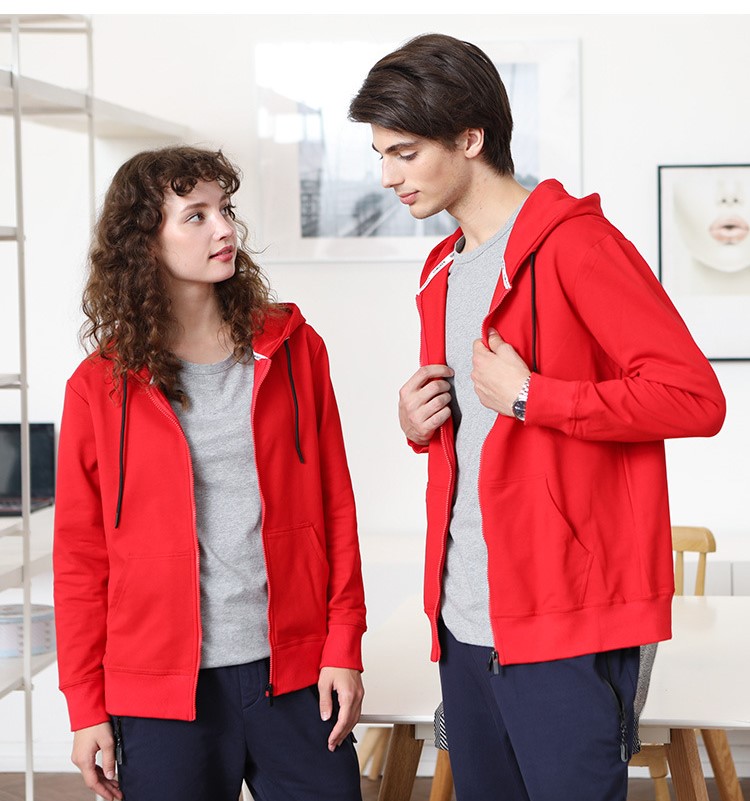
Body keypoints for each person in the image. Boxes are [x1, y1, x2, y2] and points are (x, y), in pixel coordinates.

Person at [349, 33, 725, 801]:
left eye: (405, 153)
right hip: (462, 624)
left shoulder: (579, 246)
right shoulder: (441, 270)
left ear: (470, 137)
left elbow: (694, 397)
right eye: (382, 156)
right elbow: (483, 441)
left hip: (565, 625)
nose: (388, 177)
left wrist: (536, 396)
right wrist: (420, 425)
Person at [53, 146, 366, 801]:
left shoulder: (294, 351)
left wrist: (342, 643)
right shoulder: (98, 387)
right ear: (144, 241)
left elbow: (335, 506)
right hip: (163, 691)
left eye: (224, 209)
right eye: (195, 216)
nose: (224, 228)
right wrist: (85, 706)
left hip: (294, 672)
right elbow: (81, 559)